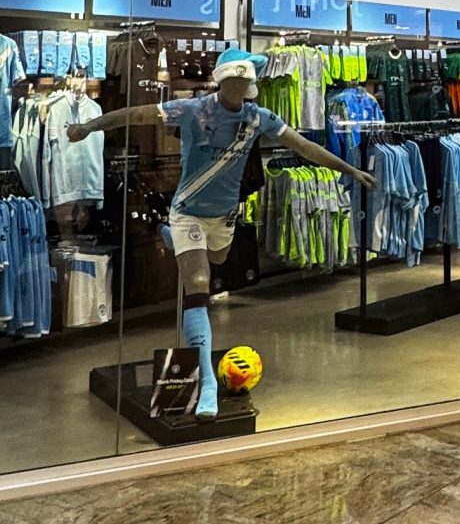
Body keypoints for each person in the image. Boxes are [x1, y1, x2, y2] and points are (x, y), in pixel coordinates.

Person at [69, 55, 372, 414]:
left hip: (224, 217)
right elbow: (136, 114)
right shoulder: (192, 110)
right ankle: (208, 384)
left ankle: (168, 236)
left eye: (245, 84)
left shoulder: (258, 117)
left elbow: (304, 146)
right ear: (221, 81)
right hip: (188, 212)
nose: (239, 89)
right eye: (234, 82)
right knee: (199, 284)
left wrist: (349, 170)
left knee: (218, 258)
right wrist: (89, 126)